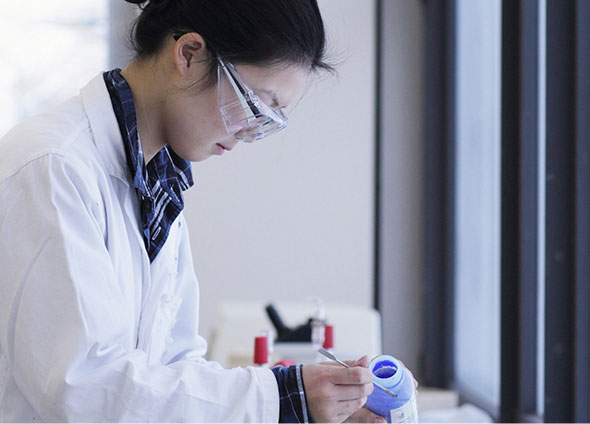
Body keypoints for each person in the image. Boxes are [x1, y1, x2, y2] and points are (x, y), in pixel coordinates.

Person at [0, 0, 388, 422]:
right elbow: (85, 388)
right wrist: (284, 398)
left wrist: (319, 408)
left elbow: (172, 373)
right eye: (254, 104)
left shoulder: (157, 184)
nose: (249, 132)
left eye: (268, 120)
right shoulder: (53, 168)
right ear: (188, 54)